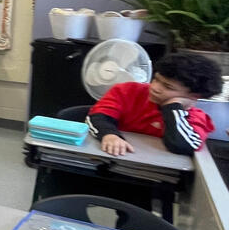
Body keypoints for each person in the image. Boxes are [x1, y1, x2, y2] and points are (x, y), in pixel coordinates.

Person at [87, 51, 220, 156]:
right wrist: (109, 135)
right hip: (109, 159)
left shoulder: (196, 118)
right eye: (156, 79)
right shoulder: (127, 91)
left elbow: (183, 146)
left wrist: (173, 107)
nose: (155, 88)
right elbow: (97, 116)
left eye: (168, 87)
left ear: (194, 96)